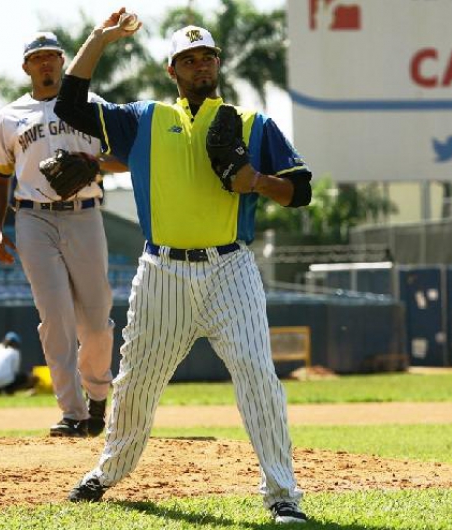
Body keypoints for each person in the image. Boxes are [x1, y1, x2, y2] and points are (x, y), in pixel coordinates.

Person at [54, 11, 312, 524]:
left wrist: (256, 181)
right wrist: (102, 38)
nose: (199, 66)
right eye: (187, 60)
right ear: (172, 70)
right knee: (137, 382)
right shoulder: (142, 120)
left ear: (218, 63)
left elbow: (300, 190)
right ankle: (107, 471)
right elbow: (70, 103)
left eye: (206, 58)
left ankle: (283, 493)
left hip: (230, 268)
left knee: (257, 374)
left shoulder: (251, 124)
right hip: (162, 271)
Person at [0, 31, 117, 438]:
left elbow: (126, 155)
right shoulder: (10, 116)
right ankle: (72, 412)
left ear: (64, 61)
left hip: (85, 214)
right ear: (26, 67)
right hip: (33, 218)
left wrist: (94, 165)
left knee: (95, 320)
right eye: (37, 58)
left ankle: (96, 399)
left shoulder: (91, 106)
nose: (46, 63)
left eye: (52, 56)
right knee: (54, 318)